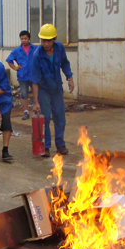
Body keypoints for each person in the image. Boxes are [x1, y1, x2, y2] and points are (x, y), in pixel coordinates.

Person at [31, 24, 74, 157]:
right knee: (45, 119)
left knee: (60, 117)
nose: (46, 44)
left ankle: (60, 145)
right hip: (43, 90)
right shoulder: (37, 55)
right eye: (43, 41)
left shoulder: (59, 48)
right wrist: (36, 101)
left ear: (54, 39)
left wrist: (70, 78)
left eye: (49, 41)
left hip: (57, 89)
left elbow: (65, 63)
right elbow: (35, 80)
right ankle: (46, 146)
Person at [6, 30, 39, 120]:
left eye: (25, 38)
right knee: (24, 94)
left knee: (36, 94)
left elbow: (42, 58)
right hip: (23, 76)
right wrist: (15, 68)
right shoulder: (17, 50)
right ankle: (26, 112)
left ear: (29, 39)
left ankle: (38, 111)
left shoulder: (36, 49)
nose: (24, 40)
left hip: (34, 75)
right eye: (22, 39)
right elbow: (9, 60)